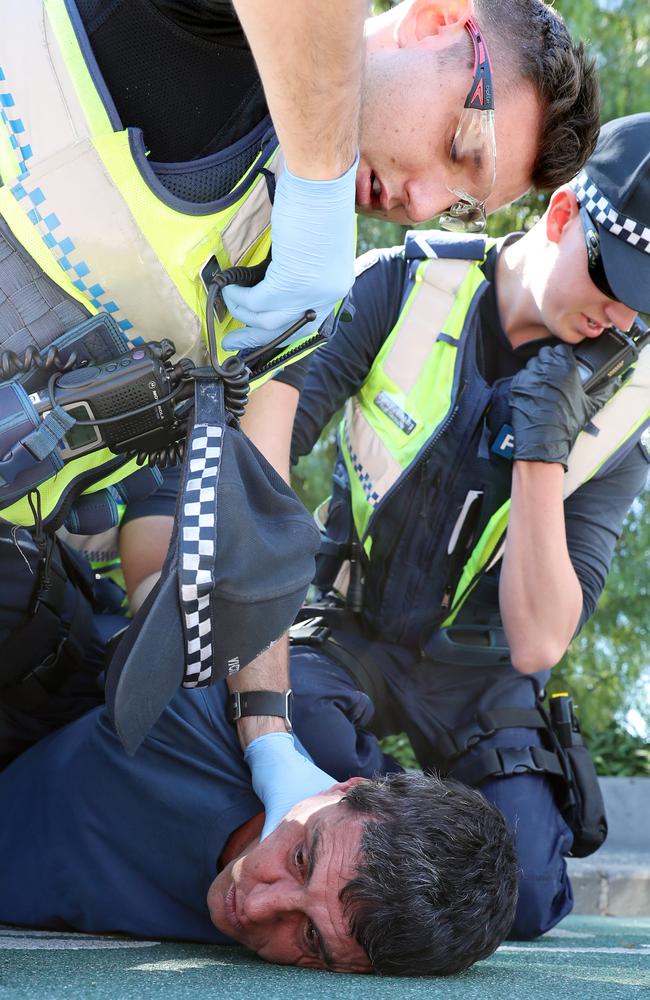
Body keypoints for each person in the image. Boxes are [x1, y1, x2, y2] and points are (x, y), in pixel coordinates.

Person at [0, 0, 599, 828]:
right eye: (461, 149)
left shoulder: (284, 277)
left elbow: (256, 503)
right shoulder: (213, 39)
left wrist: (270, 740)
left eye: (461, 208)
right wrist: (320, 189)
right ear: (435, 22)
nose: (423, 205)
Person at [288, 114, 650, 939]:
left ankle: (402, 833)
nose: (623, 320)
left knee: (519, 897)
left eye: (649, 307)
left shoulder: (633, 409)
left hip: (479, 673)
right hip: (345, 628)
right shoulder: (397, 286)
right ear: (562, 216)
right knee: (306, 757)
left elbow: (537, 646)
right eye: (616, 280)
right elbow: (265, 454)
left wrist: (540, 450)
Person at [0, 679, 519, 976]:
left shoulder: (393, 936)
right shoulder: (204, 715)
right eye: (301, 859)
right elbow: (254, 562)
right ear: (343, 788)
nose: (255, 908)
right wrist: (267, 737)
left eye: (311, 937)